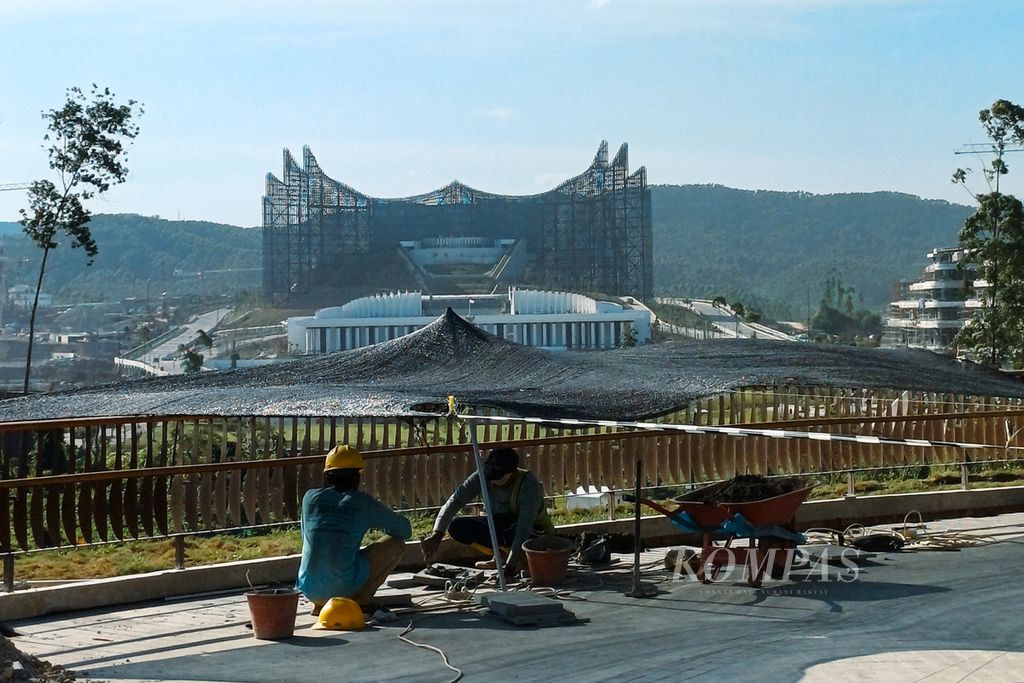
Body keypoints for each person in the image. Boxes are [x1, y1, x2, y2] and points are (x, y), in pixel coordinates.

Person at [296, 444, 411, 615]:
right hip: (343, 588)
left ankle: (321, 604)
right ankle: (361, 601)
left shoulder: (309, 499)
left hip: (309, 590)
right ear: (357, 476)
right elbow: (404, 530)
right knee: (397, 544)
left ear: (327, 476)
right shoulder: (361, 502)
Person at [420, 447, 554, 575]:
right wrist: (437, 535)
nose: (493, 482)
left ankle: (519, 559)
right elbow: (454, 501)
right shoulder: (482, 476)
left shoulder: (528, 485)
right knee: (457, 527)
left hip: (533, 531)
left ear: (512, 472)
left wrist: (510, 567)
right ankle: (500, 555)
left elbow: (523, 528)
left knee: (506, 527)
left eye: (499, 478)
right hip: (498, 526)